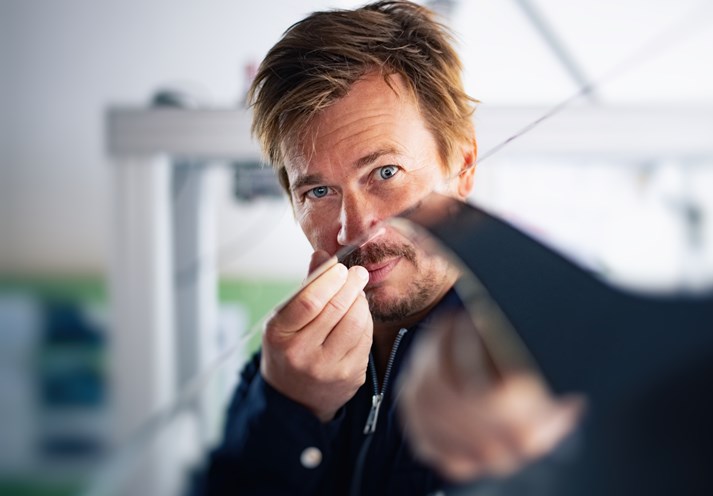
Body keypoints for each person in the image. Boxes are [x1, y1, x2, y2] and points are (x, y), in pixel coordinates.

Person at [192, 2, 582, 495]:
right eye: (318, 192)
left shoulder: (545, 355)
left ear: (462, 168)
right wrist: (290, 410)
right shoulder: (277, 370)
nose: (355, 228)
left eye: (385, 173)